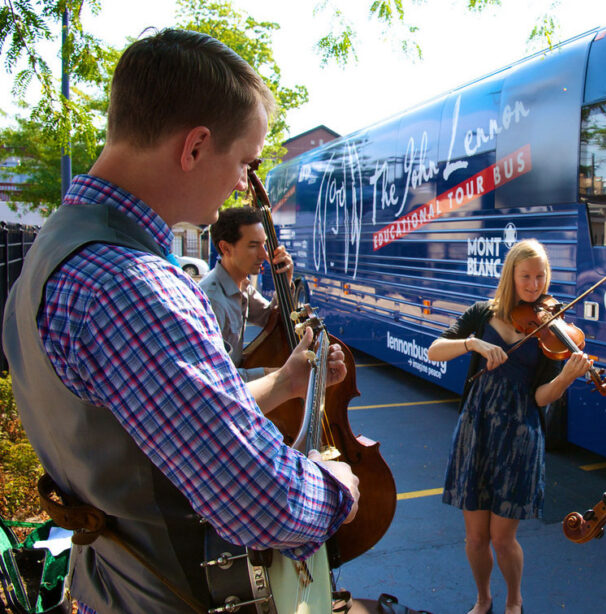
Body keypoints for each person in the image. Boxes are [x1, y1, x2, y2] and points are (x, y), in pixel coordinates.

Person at [2, 30, 359, 613]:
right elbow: (258, 501)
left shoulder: (52, 253)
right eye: (244, 161)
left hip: (108, 590)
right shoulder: (133, 285)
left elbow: (151, 408)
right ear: (194, 147)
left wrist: (288, 381)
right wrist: (336, 491)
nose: (245, 184)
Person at [426, 239, 592, 614]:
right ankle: (483, 598)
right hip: (477, 428)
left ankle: (513, 600)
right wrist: (473, 345)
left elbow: (539, 397)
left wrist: (565, 378)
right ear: (510, 276)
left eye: (540, 276)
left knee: (502, 539)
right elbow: (435, 350)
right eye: (526, 277)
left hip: (519, 435)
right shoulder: (482, 315)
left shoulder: (551, 328)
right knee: (475, 537)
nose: (534, 285)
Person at [200, 206, 293, 381]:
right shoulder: (212, 300)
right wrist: (279, 376)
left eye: (264, 244)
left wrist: (285, 282)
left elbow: (270, 318)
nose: (264, 255)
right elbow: (215, 377)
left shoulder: (242, 285)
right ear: (225, 248)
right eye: (253, 246)